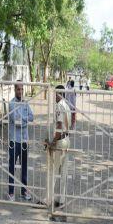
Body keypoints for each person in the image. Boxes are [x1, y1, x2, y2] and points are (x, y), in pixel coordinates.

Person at [8, 81, 34, 201]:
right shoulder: (12, 103)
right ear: (15, 90)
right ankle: (11, 192)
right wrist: (25, 119)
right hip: (14, 140)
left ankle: (24, 191)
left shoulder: (25, 103)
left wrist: (22, 119)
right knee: (12, 167)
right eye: (19, 89)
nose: (21, 92)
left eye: (22, 89)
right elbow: (16, 121)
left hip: (24, 140)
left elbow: (32, 117)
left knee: (24, 167)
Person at [48, 85, 71, 213]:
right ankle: (61, 200)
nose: (54, 96)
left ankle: (49, 199)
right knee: (63, 173)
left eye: (55, 94)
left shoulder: (59, 106)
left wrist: (52, 142)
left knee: (54, 171)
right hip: (67, 140)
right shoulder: (67, 105)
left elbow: (59, 125)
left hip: (60, 141)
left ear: (59, 94)